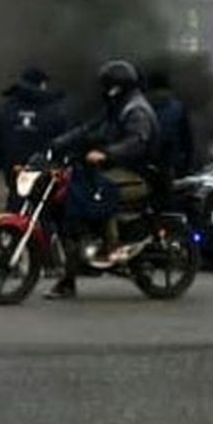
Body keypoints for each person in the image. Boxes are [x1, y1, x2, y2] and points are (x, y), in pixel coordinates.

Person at [45, 59, 162, 300]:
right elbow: (89, 128)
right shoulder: (116, 107)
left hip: (138, 174)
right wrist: (58, 144)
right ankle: (71, 273)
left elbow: (137, 142)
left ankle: (113, 245)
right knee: (74, 193)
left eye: (106, 85)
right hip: (115, 168)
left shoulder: (135, 110)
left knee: (98, 190)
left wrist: (107, 153)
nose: (103, 89)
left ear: (117, 86)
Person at [0, 68, 67, 210]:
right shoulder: (53, 108)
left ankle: (13, 231)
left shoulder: (5, 107)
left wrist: (3, 164)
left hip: (13, 167)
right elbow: (63, 139)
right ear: (41, 84)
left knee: (16, 205)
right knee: (44, 208)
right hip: (43, 169)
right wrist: (59, 164)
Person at [147, 70, 197, 180]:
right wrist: (188, 165)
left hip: (146, 165)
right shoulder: (178, 107)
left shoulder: (141, 108)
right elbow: (187, 140)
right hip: (172, 165)